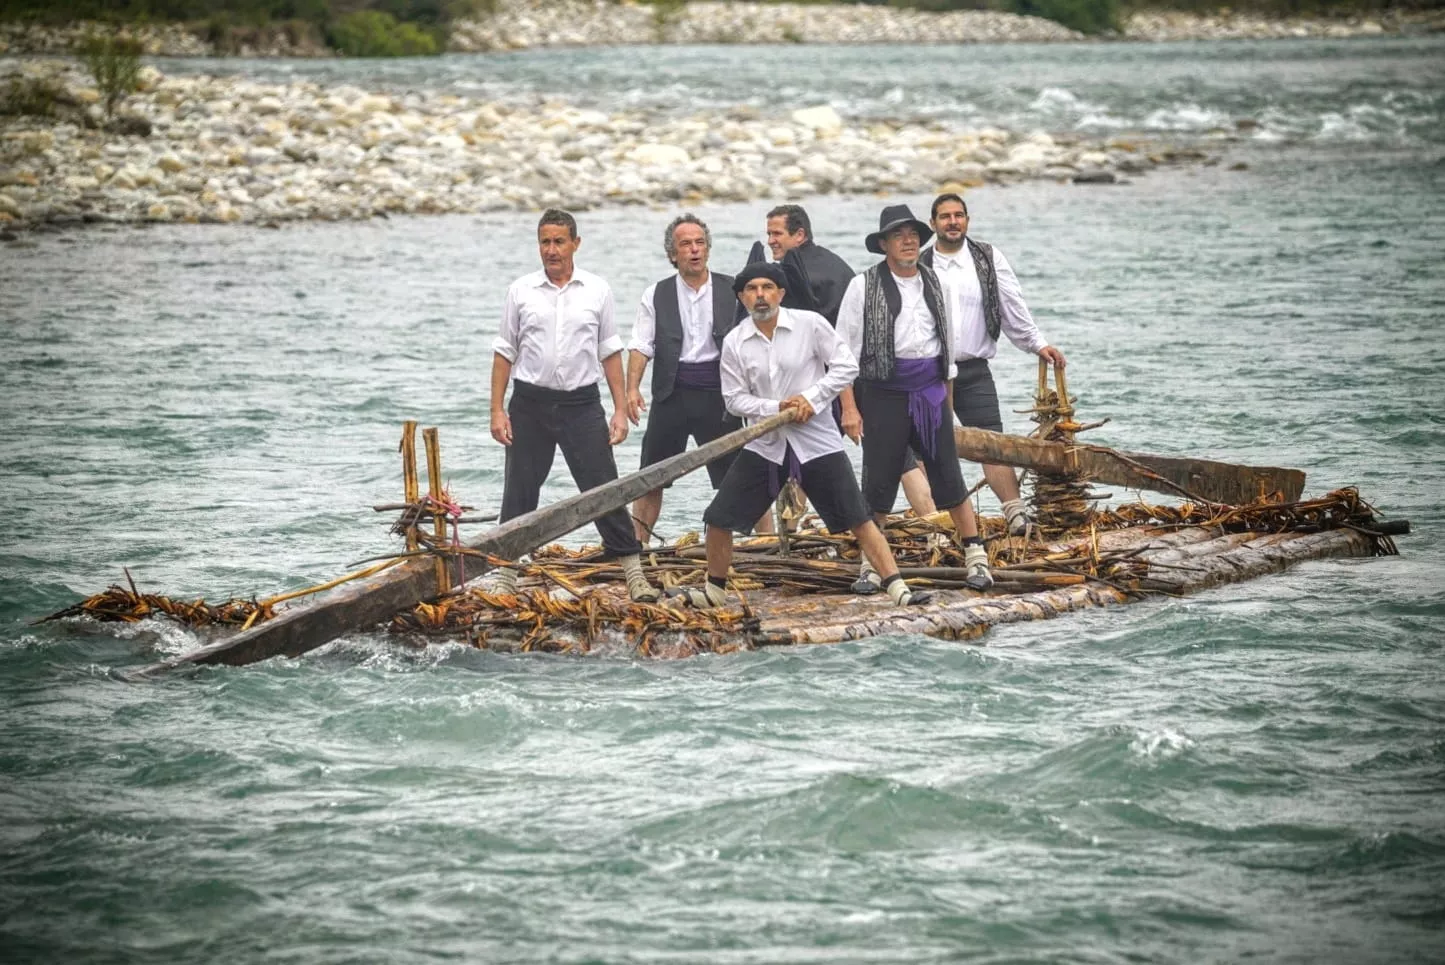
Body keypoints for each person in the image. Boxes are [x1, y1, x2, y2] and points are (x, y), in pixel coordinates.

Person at [669, 263, 930, 610]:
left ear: (781, 293)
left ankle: (899, 589)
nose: (760, 295)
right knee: (718, 518)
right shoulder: (735, 341)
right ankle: (715, 590)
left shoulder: (810, 325)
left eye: (767, 287)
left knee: (858, 517)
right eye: (751, 289)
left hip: (816, 441)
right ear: (742, 297)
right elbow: (733, 399)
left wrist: (813, 398)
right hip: (766, 444)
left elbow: (846, 366)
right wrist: (776, 407)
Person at [488, 208, 660, 603]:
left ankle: (633, 571)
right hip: (529, 403)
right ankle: (508, 573)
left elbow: (609, 351)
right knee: (519, 490)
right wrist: (497, 410)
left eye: (559, 241)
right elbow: (504, 352)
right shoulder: (521, 290)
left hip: (582, 405)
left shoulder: (597, 290)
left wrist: (619, 409)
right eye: (545, 242)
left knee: (603, 487)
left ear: (575, 244)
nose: (551, 250)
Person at [836, 204, 994, 593]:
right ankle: (872, 567)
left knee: (948, 474)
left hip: (930, 393)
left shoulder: (935, 281)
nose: (907, 241)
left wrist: (947, 402)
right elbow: (842, 353)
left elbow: (949, 347)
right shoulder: (863, 285)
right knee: (878, 481)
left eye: (912, 235)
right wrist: (850, 408)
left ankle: (976, 557)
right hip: (883, 394)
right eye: (897, 236)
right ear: (885, 244)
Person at [921, 193, 1067, 537]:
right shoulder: (920, 263)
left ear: (967, 220)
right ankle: (933, 523)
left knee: (993, 443)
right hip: (929, 372)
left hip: (973, 371)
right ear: (933, 224)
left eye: (959, 215)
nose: (953, 222)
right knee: (926, 447)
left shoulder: (986, 257)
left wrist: (1037, 344)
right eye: (945, 216)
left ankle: (1016, 515)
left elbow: (1012, 305)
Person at [624, 214, 753, 545]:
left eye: (700, 243)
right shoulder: (656, 294)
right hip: (672, 392)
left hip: (720, 394)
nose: (694, 250)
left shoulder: (735, 289)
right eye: (686, 244)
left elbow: (755, 339)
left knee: (739, 473)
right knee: (651, 475)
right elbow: (641, 345)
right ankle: (639, 543)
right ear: (672, 254)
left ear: (708, 249)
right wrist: (632, 388)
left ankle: (760, 542)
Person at [764, 204, 855, 326]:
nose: (770, 241)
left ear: (800, 235)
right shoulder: (836, 263)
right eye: (769, 234)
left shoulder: (788, 275)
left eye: (777, 234)